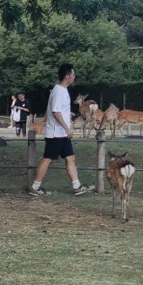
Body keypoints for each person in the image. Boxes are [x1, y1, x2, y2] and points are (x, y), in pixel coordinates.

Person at [30, 65, 90, 196]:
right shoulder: (58, 91)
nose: (74, 77)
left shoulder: (63, 91)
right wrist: (67, 128)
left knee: (70, 158)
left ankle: (77, 186)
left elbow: (61, 111)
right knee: (47, 159)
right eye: (73, 75)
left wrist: (69, 118)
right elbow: (56, 112)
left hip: (62, 134)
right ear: (67, 76)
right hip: (56, 133)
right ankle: (35, 187)